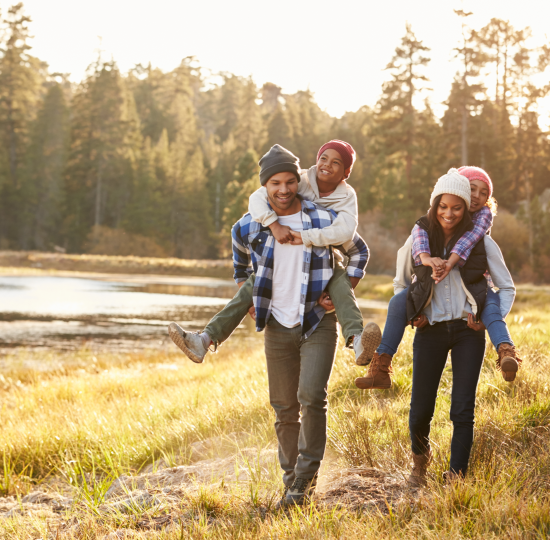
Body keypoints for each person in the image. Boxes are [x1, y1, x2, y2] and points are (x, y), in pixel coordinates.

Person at [175, 146, 369, 506]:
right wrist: (248, 292)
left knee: (312, 397)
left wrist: (348, 283)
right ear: (264, 186)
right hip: (277, 324)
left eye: (290, 181)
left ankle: (306, 478)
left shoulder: (321, 218)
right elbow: (238, 248)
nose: (283, 189)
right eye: (275, 182)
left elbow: (359, 248)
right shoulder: (252, 221)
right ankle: (293, 482)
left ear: (300, 181)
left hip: (316, 321)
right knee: (283, 407)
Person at [168, 142, 379, 367]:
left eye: (336, 162)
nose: (327, 165)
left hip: (325, 261)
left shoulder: (345, 198)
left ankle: (357, 341)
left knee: (339, 282)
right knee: (252, 284)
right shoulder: (301, 180)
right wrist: (274, 224)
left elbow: (349, 235)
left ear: (346, 173)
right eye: (324, 158)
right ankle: (204, 340)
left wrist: (339, 290)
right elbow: (258, 198)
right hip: (278, 265)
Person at [385, 169, 515, 485]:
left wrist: (484, 320)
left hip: (466, 333)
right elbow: (400, 283)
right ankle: (419, 465)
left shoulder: (482, 242)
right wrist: (415, 312)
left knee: (462, 410)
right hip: (430, 331)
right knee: (419, 409)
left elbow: (506, 287)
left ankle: (456, 475)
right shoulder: (419, 239)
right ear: (437, 204)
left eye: (457, 206)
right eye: (445, 206)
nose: (450, 212)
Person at [356, 166, 520, 391]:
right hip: (430, 306)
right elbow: (408, 264)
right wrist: (415, 310)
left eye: (484, 193)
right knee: (397, 303)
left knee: (491, 307)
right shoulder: (425, 227)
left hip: (475, 292)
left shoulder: (480, 227)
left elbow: (470, 242)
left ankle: (506, 351)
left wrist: (450, 263)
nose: (477, 197)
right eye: (472, 189)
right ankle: (381, 365)